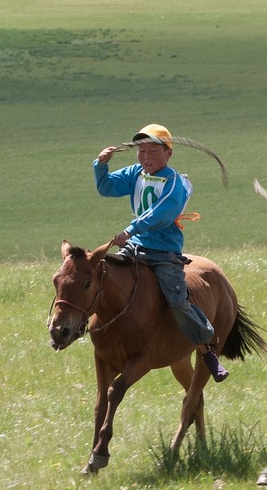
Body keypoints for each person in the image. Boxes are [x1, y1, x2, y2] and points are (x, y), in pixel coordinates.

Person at [95, 123, 229, 381]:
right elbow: (107, 187)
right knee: (101, 279)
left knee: (178, 300)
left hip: (162, 253)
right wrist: (101, 165)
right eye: (141, 151)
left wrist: (131, 229)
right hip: (134, 248)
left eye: (152, 151)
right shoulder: (135, 173)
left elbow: (162, 213)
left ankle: (206, 346)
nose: (145, 157)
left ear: (168, 153)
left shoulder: (176, 182)